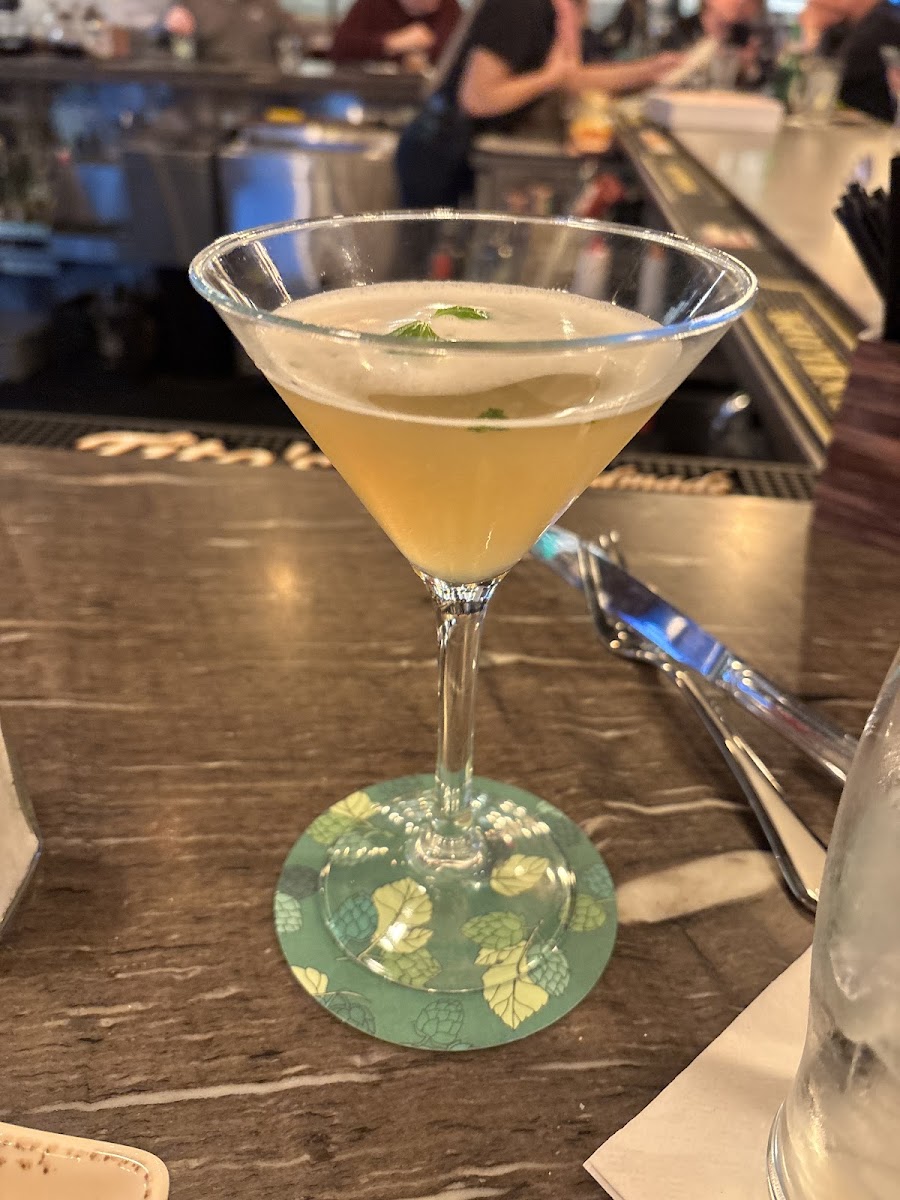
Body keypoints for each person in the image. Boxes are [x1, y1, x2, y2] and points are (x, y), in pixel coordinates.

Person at [396, 0, 682, 207]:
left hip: (455, 149)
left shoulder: (556, 10)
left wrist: (650, 70)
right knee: (425, 266)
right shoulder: (519, 7)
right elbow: (478, 99)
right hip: (438, 155)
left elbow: (571, 77)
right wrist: (548, 78)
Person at [801, 0, 900, 121]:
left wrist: (812, 31)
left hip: (878, 124)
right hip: (854, 122)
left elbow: (834, 76)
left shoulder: (887, 21)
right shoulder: (847, 22)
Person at [331, 0, 461, 70]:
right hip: (373, 93)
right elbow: (339, 48)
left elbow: (459, 57)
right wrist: (390, 43)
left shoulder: (450, 8)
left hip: (427, 97)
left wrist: (427, 52)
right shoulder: (372, 5)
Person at [161, 0, 301, 65]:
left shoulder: (268, 5)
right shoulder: (193, 5)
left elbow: (297, 36)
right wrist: (171, 29)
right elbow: (164, 44)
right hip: (210, 90)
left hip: (261, 89)